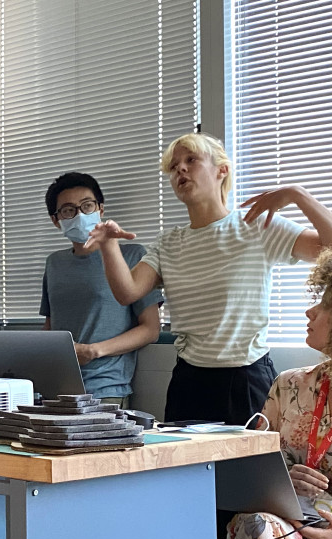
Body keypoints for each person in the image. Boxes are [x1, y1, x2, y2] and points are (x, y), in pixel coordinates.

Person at [85, 132, 332, 425]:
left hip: (246, 377)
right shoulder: (168, 242)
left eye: (191, 160)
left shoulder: (255, 227)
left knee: (251, 457)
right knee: (180, 457)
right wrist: (108, 244)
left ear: (221, 170)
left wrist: (297, 194)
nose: (180, 169)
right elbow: (128, 292)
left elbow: (328, 246)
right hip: (189, 380)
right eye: (174, 166)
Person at [219, 248, 332, 539]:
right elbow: (248, 477)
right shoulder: (289, 385)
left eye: (325, 304)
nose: (310, 311)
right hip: (282, 525)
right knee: (256, 526)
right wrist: (283, 480)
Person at [40, 172, 162, 403]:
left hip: (106, 389)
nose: (79, 215)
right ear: (56, 220)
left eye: (87, 205)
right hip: (56, 389)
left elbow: (151, 329)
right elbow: (50, 327)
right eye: (68, 210)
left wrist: (94, 351)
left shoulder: (133, 255)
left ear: (100, 209)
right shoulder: (54, 263)